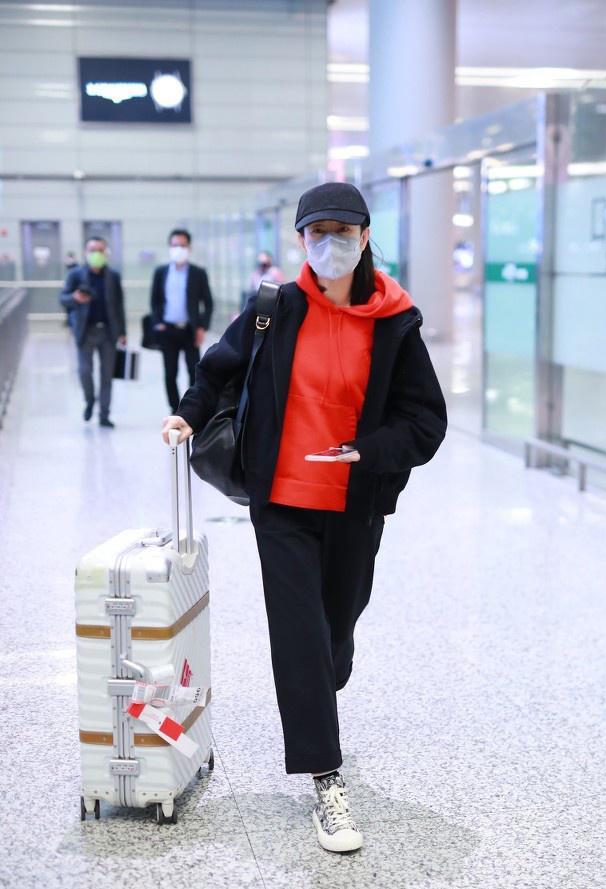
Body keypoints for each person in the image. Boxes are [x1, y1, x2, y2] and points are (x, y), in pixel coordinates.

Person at [161, 182, 447, 853]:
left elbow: (425, 420)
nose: (330, 244)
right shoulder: (276, 307)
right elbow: (219, 369)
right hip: (281, 501)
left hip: (353, 505)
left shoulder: (395, 320)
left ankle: (329, 667)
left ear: (365, 237)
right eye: (318, 232)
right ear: (301, 240)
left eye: (343, 232)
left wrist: (369, 450)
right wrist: (187, 413)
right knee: (298, 638)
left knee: (334, 634)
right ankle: (325, 779)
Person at [60, 237, 126, 427]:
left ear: (106, 253)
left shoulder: (113, 276)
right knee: (84, 371)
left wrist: (122, 332)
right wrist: (75, 297)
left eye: (100, 250)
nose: (96, 254)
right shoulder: (76, 275)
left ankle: (104, 414)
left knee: (107, 375)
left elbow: (119, 305)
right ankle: (90, 400)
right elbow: (63, 298)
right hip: (85, 331)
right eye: (92, 250)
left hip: (108, 332)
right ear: (86, 252)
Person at [150, 228, 213, 413]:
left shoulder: (198, 273)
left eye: (182, 245)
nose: (178, 249)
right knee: (170, 373)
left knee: (195, 373)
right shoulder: (161, 272)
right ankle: (175, 409)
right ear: (169, 247)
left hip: (190, 330)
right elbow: (155, 301)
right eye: (175, 245)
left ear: (189, 248)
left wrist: (202, 327)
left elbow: (208, 303)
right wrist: (158, 323)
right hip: (168, 330)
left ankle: (191, 410)